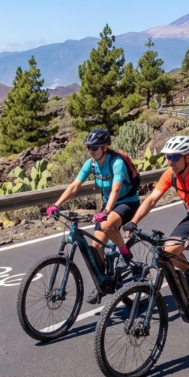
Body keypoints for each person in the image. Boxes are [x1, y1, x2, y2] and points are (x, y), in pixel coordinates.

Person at [121, 135, 189, 340]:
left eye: (174, 157)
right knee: (167, 251)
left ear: (188, 157)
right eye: (168, 157)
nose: (170, 161)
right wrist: (133, 221)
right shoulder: (171, 174)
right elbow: (152, 199)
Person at [46, 128, 141, 304]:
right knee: (96, 245)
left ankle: (125, 254)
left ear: (105, 147)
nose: (91, 150)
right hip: (108, 204)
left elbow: (116, 189)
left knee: (107, 225)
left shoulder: (116, 162)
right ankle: (103, 282)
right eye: (88, 147)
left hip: (127, 202)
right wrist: (56, 205)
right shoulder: (91, 164)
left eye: (94, 147)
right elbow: (75, 186)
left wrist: (105, 212)